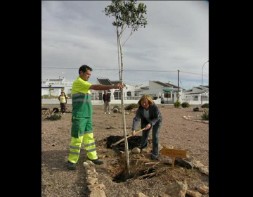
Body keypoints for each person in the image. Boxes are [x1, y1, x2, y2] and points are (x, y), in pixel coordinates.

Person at [67, 64, 124, 170]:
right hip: (79, 116)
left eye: (90, 74)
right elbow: (96, 87)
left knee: (89, 137)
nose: (89, 76)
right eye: (87, 74)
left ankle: (92, 156)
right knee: (77, 138)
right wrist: (113, 86)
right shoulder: (79, 82)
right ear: (81, 73)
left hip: (87, 115)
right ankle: (72, 160)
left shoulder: (85, 83)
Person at [132, 95, 162, 160]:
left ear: (149, 102)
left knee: (155, 136)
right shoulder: (140, 109)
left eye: (145, 102)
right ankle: (143, 147)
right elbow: (136, 119)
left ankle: (155, 153)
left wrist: (151, 123)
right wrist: (134, 129)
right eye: (142, 103)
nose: (144, 104)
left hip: (156, 121)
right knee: (144, 134)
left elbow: (157, 117)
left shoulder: (154, 107)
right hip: (146, 120)